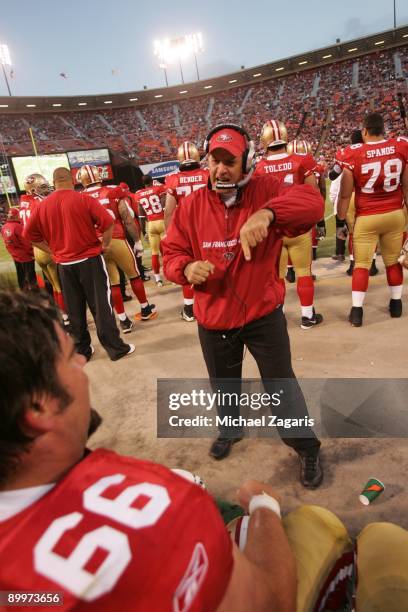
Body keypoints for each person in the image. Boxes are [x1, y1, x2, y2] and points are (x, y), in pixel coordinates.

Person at [0, 289, 297, 612]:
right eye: (71, 356)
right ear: (38, 409)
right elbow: (271, 603)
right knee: (311, 528)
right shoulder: (168, 505)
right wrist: (264, 507)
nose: (83, 361)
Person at [163, 123, 323, 488]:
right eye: (215, 161)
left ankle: (306, 446)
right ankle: (229, 429)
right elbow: (170, 254)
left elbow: (312, 204)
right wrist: (186, 267)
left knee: (282, 386)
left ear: (246, 162)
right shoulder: (190, 206)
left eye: (229, 162)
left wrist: (268, 215)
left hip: (262, 315)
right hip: (214, 317)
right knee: (223, 385)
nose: (221, 169)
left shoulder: (265, 190)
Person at [24, 167, 134, 361]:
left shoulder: (42, 205)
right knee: (101, 306)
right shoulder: (83, 199)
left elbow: (29, 236)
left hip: (64, 264)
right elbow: (108, 222)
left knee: (74, 308)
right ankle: (115, 348)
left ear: (53, 181)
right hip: (89, 260)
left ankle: (82, 350)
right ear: (71, 179)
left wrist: (52, 251)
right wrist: (105, 244)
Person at [337, 112, 408, 326]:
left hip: (367, 216)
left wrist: (341, 221)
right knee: (393, 261)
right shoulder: (399, 147)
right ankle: (396, 305)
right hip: (394, 214)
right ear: (383, 129)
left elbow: (345, 193)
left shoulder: (352, 153)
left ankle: (357, 312)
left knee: (362, 264)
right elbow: (406, 187)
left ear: (364, 131)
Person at [255, 121, 323, 329]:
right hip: (299, 227)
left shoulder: (258, 168)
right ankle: (307, 316)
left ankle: (279, 316)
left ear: (264, 141)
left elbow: (256, 203)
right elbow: (314, 195)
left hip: (274, 230)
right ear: (285, 138)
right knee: (304, 271)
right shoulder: (302, 160)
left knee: (277, 276)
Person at [77, 165, 157, 327]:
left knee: (113, 282)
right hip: (118, 239)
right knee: (134, 275)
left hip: (98, 246)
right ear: (99, 176)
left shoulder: (79, 198)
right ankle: (145, 309)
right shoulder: (112, 191)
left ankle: (123, 320)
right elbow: (127, 218)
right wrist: (137, 240)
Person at [165, 141, 209, 322]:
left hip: (186, 230)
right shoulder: (207, 174)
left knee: (186, 265)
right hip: (209, 226)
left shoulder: (173, 179)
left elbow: (169, 210)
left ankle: (190, 308)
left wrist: (169, 234)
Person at [20, 173, 67, 312]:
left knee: (54, 287)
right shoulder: (40, 202)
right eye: (43, 187)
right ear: (33, 190)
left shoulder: (24, 202)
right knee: (62, 287)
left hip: (37, 249)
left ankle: (63, 318)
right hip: (47, 246)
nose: (46, 189)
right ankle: (68, 318)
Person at [133, 175, 167, 287]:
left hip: (151, 225)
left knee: (154, 253)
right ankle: (169, 274)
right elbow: (165, 207)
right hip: (162, 221)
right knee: (168, 251)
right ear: (152, 181)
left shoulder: (139, 194)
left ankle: (158, 279)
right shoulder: (159, 189)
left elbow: (141, 216)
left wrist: (144, 231)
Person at [0, 207, 37, 290]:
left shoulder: (4, 227)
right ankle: (35, 294)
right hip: (25, 257)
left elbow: (7, 243)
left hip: (15, 256)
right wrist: (32, 253)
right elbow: (26, 243)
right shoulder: (18, 227)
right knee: (31, 277)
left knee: (21, 276)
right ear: (16, 216)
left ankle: (24, 291)